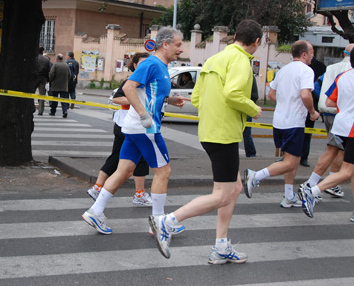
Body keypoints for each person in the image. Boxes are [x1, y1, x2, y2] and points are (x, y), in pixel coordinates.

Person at [152, 20, 263, 263]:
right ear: (256, 42)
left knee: (233, 189)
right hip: (224, 134)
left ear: (234, 35)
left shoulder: (214, 59)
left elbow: (198, 97)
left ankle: (221, 246)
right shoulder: (242, 60)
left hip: (210, 131)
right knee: (223, 195)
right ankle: (167, 222)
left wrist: (213, 115)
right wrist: (253, 109)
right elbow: (233, 93)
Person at [81, 27, 189, 244]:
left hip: (134, 128)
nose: (181, 49)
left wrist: (170, 100)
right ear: (165, 44)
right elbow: (129, 88)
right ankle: (159, 222)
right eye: (178, 44)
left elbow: (147, 91)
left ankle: (95, 210)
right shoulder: (151, 63)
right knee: (163, 172)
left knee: (124, 170)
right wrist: (144, 115)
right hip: (145, 128)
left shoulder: (160, 66)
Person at [299, 45, 354, 222]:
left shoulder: (342, 77)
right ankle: (312, 191)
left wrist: (347, 105)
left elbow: (330, 101)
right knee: (347, 172)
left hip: (340, 127)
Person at [244, 40, 319, 209]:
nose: (313, 56)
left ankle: (288, 196)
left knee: (291, 159)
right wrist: (313, 112)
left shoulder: (283, 70)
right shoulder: (306, 71)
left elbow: (271, 93)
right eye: (312, 52)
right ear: (304, 54)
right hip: (294, 122)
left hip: (279, 121)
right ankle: (255, 176)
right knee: (291, 163)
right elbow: (306, 95)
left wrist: (285, 104)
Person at [87, 52, 154, 206]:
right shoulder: (132, 81)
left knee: (121, 159)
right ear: (135, 65)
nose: (146, 67)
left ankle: (98, 188)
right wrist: (135, 100)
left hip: (131, 125)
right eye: (142, 63)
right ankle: (139, 194)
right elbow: (116, 98)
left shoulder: (146, 81)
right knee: (138, 159)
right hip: (128, 125)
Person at [303, 44, 354, 199]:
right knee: (334, 150)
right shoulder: (353, 70)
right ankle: (312, 184)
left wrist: (322, 105)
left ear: (344, 53)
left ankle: (330, 183)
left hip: (327, 111)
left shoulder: (332, 68)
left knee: (336, 149)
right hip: (341, 114)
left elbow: (320, 87)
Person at [300, 56, 326, 167]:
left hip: (311, 104)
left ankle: (303, 156)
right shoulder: (300, 67)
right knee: (297, 132)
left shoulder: (321, 67)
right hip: (303, 104)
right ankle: (291, 155)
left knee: (306, 133)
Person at [48, 53, 71, 118]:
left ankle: (53, 111)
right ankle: (65, 111)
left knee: (54, 99)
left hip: (55, 85)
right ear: (63, 59)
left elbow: (51, 74)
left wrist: (51, 80)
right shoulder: (66, 65)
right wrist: (66, 81)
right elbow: (69, 75)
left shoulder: (55, 65)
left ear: (57, 59)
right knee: (63, 99)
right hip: (64, 85)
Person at [243, 73, 259, 157]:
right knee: (246, 133)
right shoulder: (250, 76)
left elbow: (254, 95)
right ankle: (251, 153)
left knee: (246, 133)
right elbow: (255, 95)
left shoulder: (248, 76)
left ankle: (251, 153)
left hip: (244, 107)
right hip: (247, 107)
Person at [36, 46, 50, 115]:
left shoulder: (34, 59)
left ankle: (30, 108)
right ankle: (40, 111)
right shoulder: (46, 60)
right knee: (42, 95)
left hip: (34, 78)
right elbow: (48, 71)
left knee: (30, 94)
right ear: (42, 51)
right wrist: (47, 79)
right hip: (42, 79)